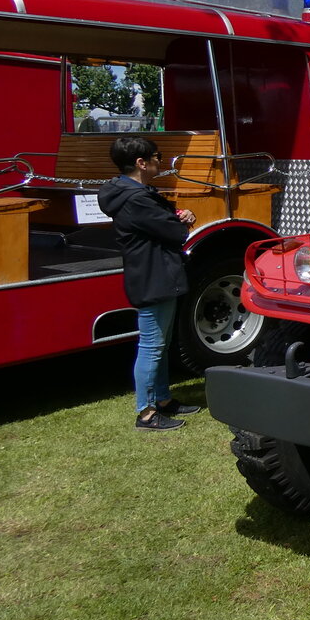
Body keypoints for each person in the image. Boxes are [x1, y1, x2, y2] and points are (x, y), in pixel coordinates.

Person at [97, 137, 201, 431]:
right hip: (152, 277)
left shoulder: (134, 192)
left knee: (162, 344)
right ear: (142, 163)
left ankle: (164, 399)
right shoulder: (136, 199)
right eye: (157, 156)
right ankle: (146, 412)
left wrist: (178, 216)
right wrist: (184, 220)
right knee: (152, 346)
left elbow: (166, 219)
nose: (160, 160)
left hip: (155, 273)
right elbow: (173, 230)